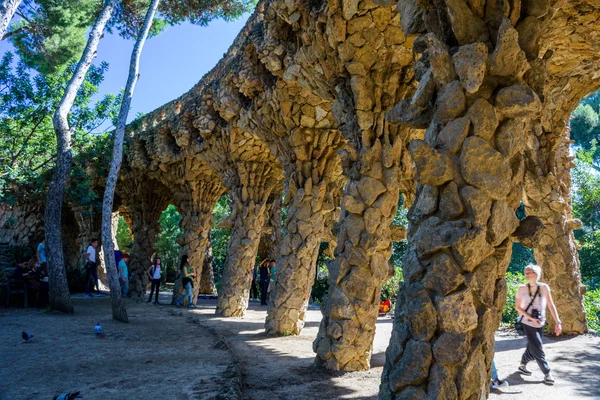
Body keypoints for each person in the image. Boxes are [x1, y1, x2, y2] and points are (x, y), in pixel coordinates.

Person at [515, 264, 562, 385]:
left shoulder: (544, 287)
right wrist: (531, 318)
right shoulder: (522, 288)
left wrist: (557, 322)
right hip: (527, 322)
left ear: (536, 273)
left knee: (533, 345)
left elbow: (551, 305)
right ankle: (547, 373)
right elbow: (518, 307)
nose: (527, 274)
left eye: (530, 272)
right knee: (538, 347)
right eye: (526, 272)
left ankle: (523, 364)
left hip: (540, 322)